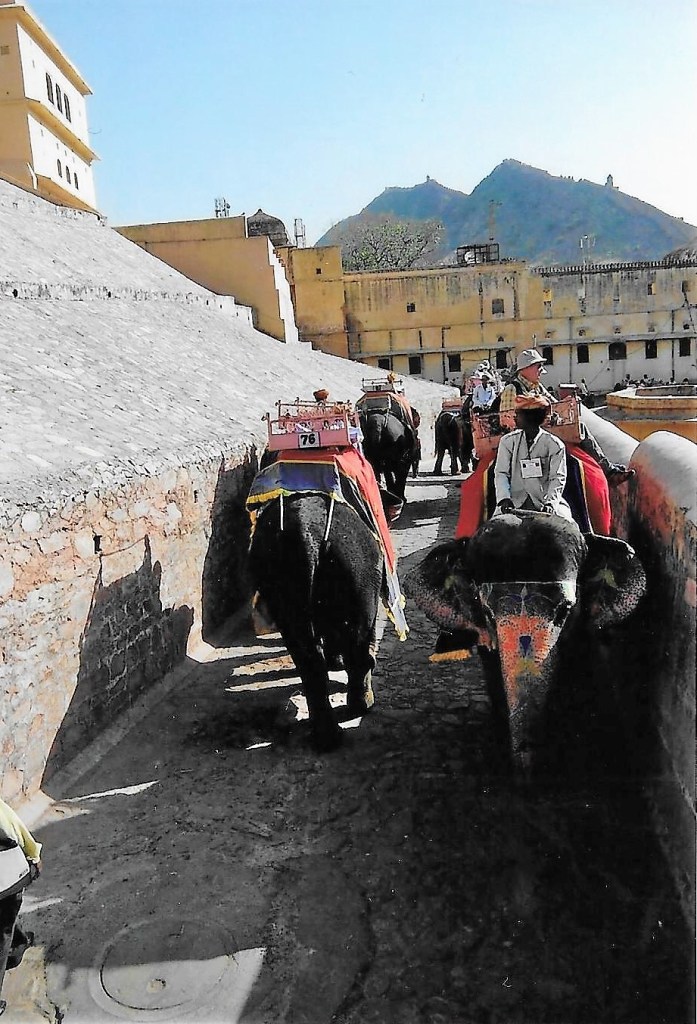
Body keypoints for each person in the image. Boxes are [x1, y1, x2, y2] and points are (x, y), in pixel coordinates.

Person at [498, 349, 633, 483]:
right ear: (526, 368)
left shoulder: (537, 387)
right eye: (538, 366)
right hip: (528, 434)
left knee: (580, 429)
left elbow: (556, 405)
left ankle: (607, 469)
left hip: (542, 429)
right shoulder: (512, 389)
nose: (541, 370)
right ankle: (608, 471)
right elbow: (507, 420)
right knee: (580, 430)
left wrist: (567, 404)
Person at [494, 395, 573, 520]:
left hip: (544, 502)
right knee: (493, 532)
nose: (515, 417)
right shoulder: (507, 442)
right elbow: (501, 473)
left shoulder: (554, 445)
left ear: (530, 417)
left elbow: (557, 477)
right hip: (514, 503)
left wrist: (551, 503)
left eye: (518, 414)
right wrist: (504, 498)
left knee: (567, 524)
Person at [0, 799, 42, 1017]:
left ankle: (19, 944)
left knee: (7, 925)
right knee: (2, 932)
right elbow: (14, 828)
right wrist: (34, 857)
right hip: (4, 881)